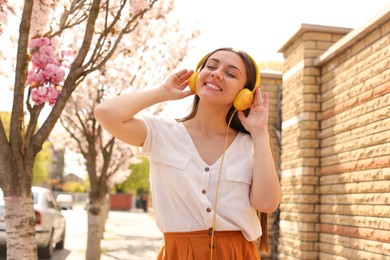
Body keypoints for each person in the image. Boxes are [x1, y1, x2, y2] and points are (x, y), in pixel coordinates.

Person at [94, 47, 281, 260]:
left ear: (244, 96)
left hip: (237, 254)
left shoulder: (251, 145)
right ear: (196, 78)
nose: (217, 73)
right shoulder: (161, 132)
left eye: (231, 73)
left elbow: (267, 204)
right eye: (211, 66)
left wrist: (260, 133)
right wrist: (162, 92)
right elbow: (105, 113)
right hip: (178, 253)